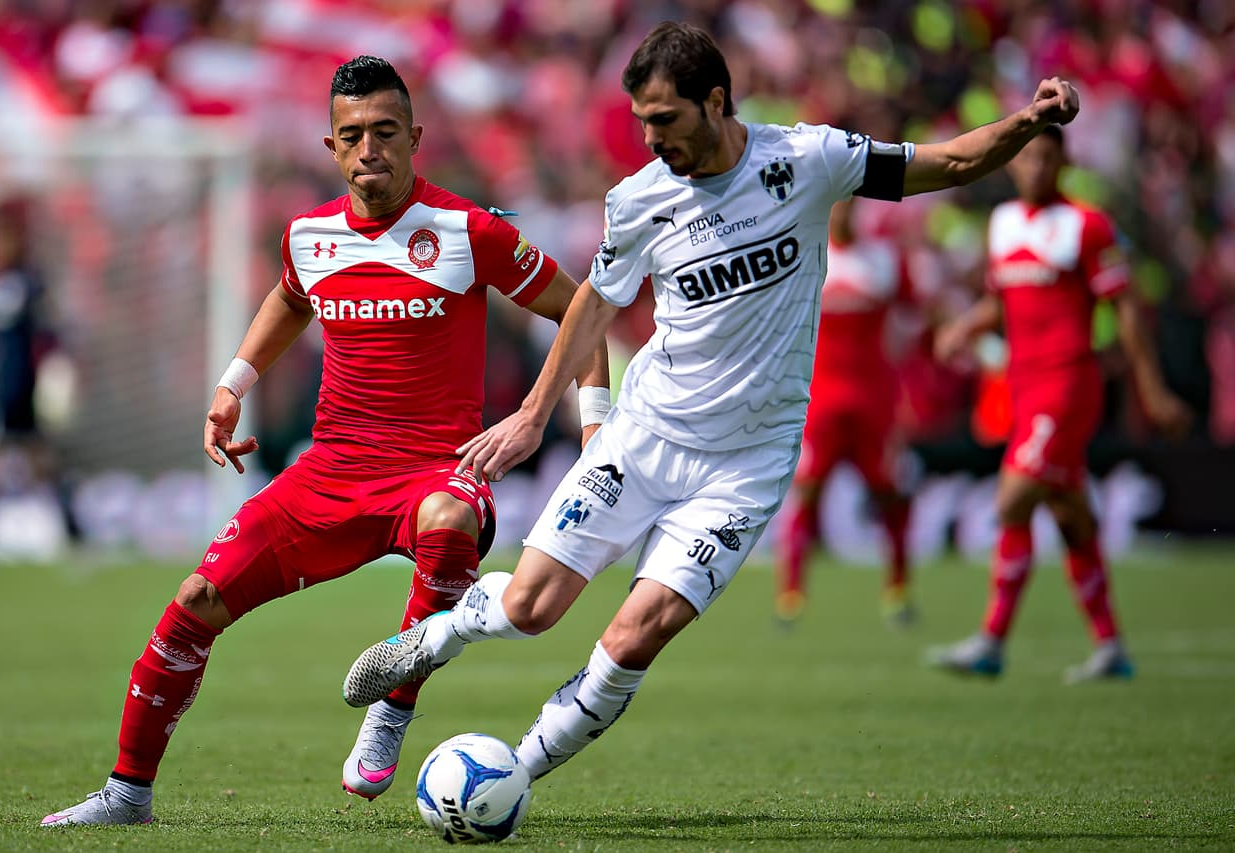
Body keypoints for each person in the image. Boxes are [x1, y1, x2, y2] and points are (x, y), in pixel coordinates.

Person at [342, 21, 1083, 783]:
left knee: (636, 636)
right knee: (530, 608)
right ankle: (436, 638)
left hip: (747, 462)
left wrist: (1027, 122)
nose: (652, 140)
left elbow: (950, 161)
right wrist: (535, 415)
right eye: (641, 125)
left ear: (717, 101)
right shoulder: (637, 200)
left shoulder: (807, 160)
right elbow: (595, 300)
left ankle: (513, 777)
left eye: (665, 120)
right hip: (647, 433)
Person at [40, 55, 608, 826]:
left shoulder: (466, 231)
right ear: (331, 146)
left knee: (450, 522)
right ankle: (126, 793)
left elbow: (584, 310)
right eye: (352, 135)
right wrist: (233, 384)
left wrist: (593, 427)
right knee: (195, 599)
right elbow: (288, 298)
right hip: (331, 471)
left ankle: (394, 703)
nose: (368, 148)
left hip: (436, 469)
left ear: (415, 138)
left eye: (384, 132)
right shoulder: (310, 236)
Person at [927, 125, 1190, 683]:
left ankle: (992, 642)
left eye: (1048, 159)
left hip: (1068, 385)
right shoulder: (1002, 226)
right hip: (1023, 387)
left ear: (1064, 161)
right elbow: (1003, 301)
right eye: (1027, 160)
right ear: (1011, 166)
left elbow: (1125, 312)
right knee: (1071, 517)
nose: (1037, 169)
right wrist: (964, 327)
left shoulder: (1087, 226)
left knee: (1013, 498)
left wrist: (1153, 389)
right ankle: (1111, 646)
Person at [774, 196, 915, 628]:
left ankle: (898, 590)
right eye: (837, 205)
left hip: (876, 399)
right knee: (809, 491)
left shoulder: (885, 260)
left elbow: (915, 317)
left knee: (890, 492)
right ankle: (791, 595)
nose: (845, 213)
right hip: (823, 399)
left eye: (851, 204)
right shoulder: (807, 259)